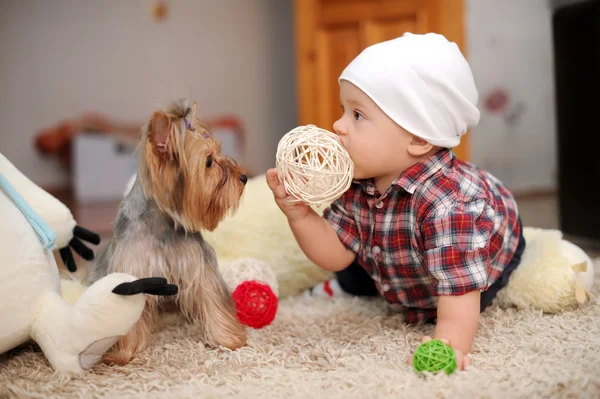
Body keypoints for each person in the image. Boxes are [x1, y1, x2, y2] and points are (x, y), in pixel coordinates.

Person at [266, 32, 525, 371]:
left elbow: (459, 293)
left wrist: (449, 343)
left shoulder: (452, 208)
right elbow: (337, 251)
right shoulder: (359, 181)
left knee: (465, 298)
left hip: (477, 259)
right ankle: (355, 285)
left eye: (357, 115)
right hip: (396, 256)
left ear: (418, 138)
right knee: (359, 268)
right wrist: (299, 214)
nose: (337, 125)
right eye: (344, 110)